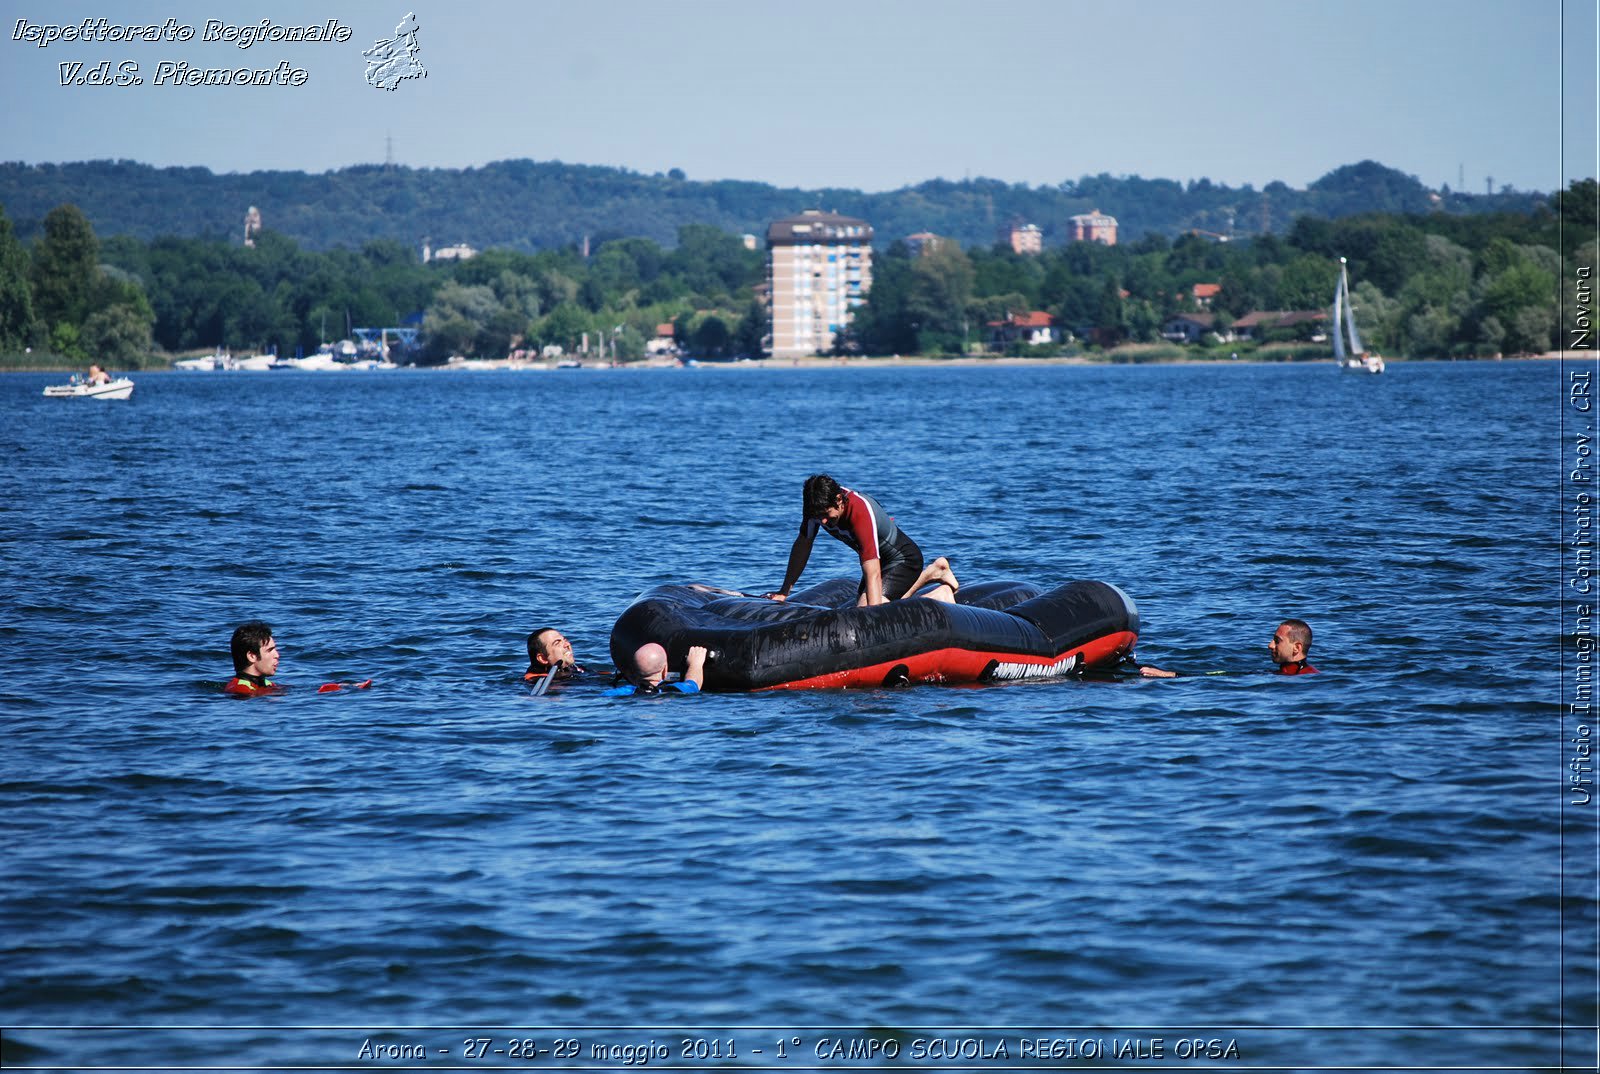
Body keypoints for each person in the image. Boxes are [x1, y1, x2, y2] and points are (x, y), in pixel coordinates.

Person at [766, 474, 958, 607]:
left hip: (903, 560)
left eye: (826, 515)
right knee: (865, 609)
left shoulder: (859, 511)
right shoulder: (815, 508)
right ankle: (935, 572)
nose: (822, 521)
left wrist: (873, 618)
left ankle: (938, 596)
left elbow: (873, 572)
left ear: (839, 500)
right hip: (879, 562)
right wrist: (784, 591)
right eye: (818, 516)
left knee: (868, 611)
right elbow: (803, 545)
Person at [602, 642, 707, 696]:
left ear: (633, 671)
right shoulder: (675, 690)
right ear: (665, 670)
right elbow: (694, 684)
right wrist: (695, 663)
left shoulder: (614, 693)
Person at [225, 620, 284, 696]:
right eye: (269, 650)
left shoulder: (270, 685)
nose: (277, 655)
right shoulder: (239, 689)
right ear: (252, 656)